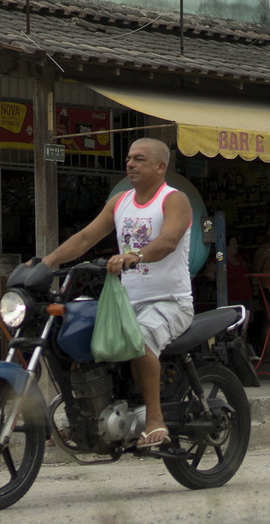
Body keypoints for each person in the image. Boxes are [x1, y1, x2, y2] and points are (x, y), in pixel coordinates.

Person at [36, 138, 192, 450]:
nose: (130, 164)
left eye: (139, 159)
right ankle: (84, 420)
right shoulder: (119, 201)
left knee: (140, 339)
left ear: (161, 167)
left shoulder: (174, 200)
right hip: (124, 303)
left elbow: (169, 240)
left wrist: (137, 256)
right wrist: (45, 263)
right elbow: (84, 239)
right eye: (128, 158)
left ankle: (155, 420)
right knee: (77, 336)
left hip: (169, 302)